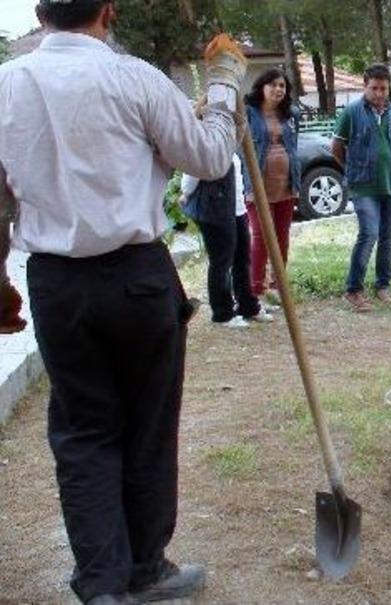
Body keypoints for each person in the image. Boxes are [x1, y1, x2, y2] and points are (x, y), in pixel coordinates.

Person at [0, 1, 243, 602]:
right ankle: (144, 568)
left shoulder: (7, 85)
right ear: (108, 11)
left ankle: (103, 584)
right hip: (137, 279)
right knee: (148, 425)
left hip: (57, 284)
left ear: (40, 12)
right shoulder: (134, 77)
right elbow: (211, 158)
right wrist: (224, 87)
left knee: (84, 430)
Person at [333, 63, 391, 313]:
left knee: (388, 238)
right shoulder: (352, 112)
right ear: (365, 86)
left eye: (383, 88)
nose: (379, 93)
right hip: (363, 186)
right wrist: (353, 169)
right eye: (374, 88)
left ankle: (383, 285)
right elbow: (337, 147)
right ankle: (354, 290)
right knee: (369, 234)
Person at [180, 154, 272, 328]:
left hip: (237, 210)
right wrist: (185, 193)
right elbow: (190, 175)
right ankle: (222, 313)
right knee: (221, 262)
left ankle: (247, 305)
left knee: (242, 259)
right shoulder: (207, 145)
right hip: (214, 211)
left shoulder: (231, 146)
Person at [242, 68, 301, 310]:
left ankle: (278, 287)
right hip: (258, 186)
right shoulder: (248, 113)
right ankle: (255, 289)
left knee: (282, 238)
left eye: (282, 86)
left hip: (285, 185)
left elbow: (293, 148)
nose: (278, 90)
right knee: (260, 238)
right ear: (262, 87)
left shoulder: (289, 114)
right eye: (273, 85)